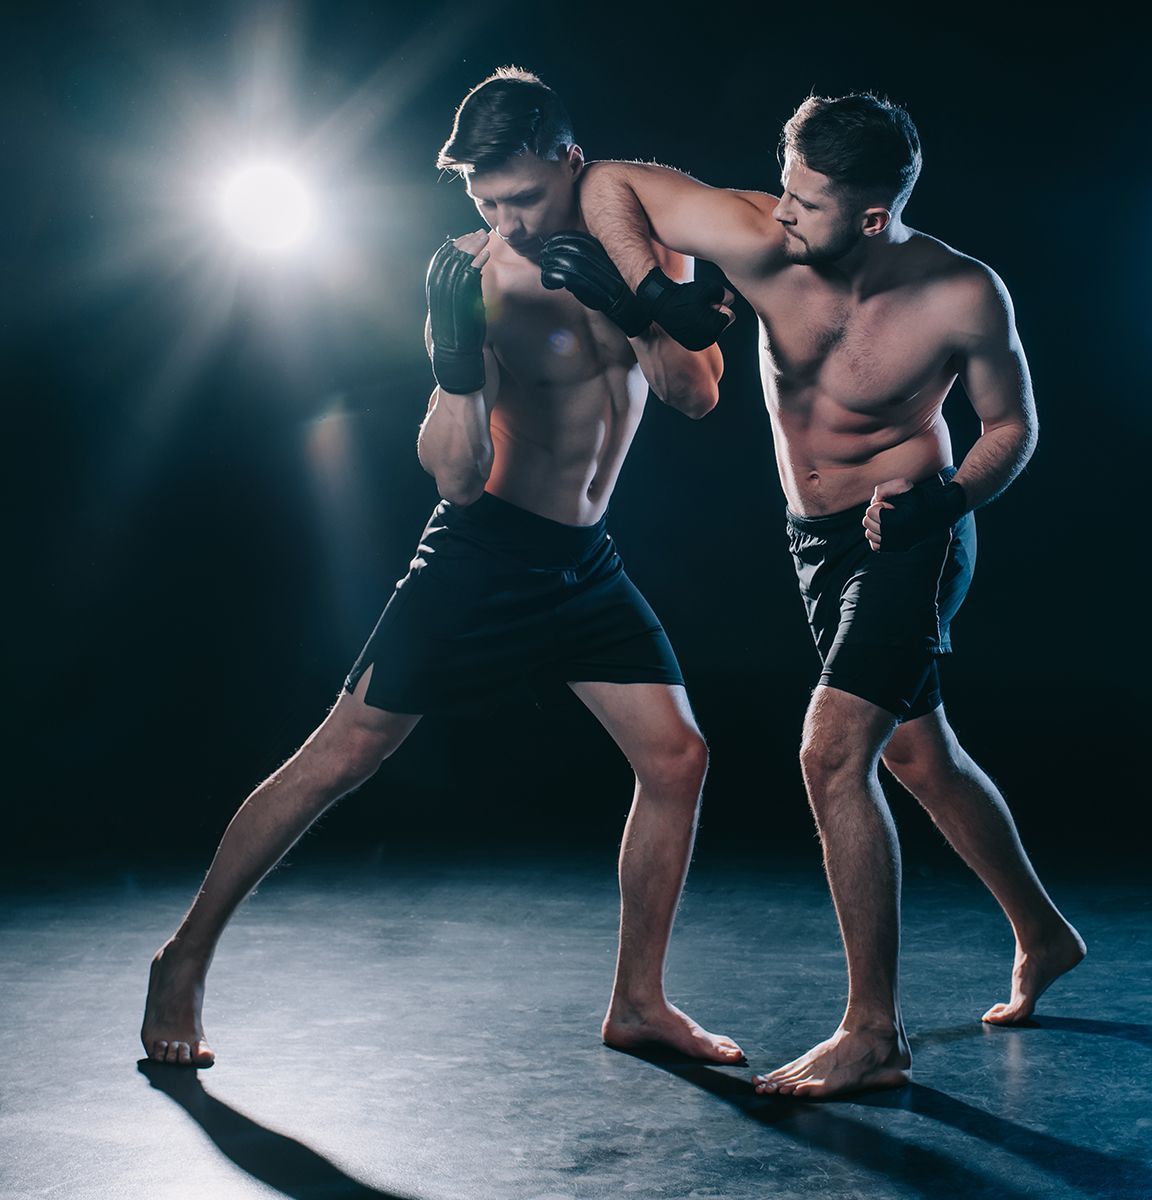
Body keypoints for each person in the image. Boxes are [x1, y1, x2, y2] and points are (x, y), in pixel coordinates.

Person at [140, 67, 744, 1069]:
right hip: (483, 555)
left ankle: (639, 1002)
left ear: (569, 159)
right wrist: (456, 367)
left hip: (583, 561)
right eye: (484, 201)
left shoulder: (644, 243)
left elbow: (697, 395)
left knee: (678, 759)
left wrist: (637, 309)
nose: (505, 219)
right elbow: (457, 479)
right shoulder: (472, 275)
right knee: (339, 758)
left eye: (521, 196)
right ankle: (183, 958)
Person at [579, 92, 1084, 1099]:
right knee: (918, 756)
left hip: (910, 539)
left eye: (810, 202)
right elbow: (608, 186)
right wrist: (655, 293)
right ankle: (1044, 932)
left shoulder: (959, 293)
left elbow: (1012, 427)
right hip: (811, 544)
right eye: (789, 185)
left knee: (830, 753)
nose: (787, 214)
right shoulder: (762, 238)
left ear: (869, 213)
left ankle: (873, 1034)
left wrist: (948, 494)